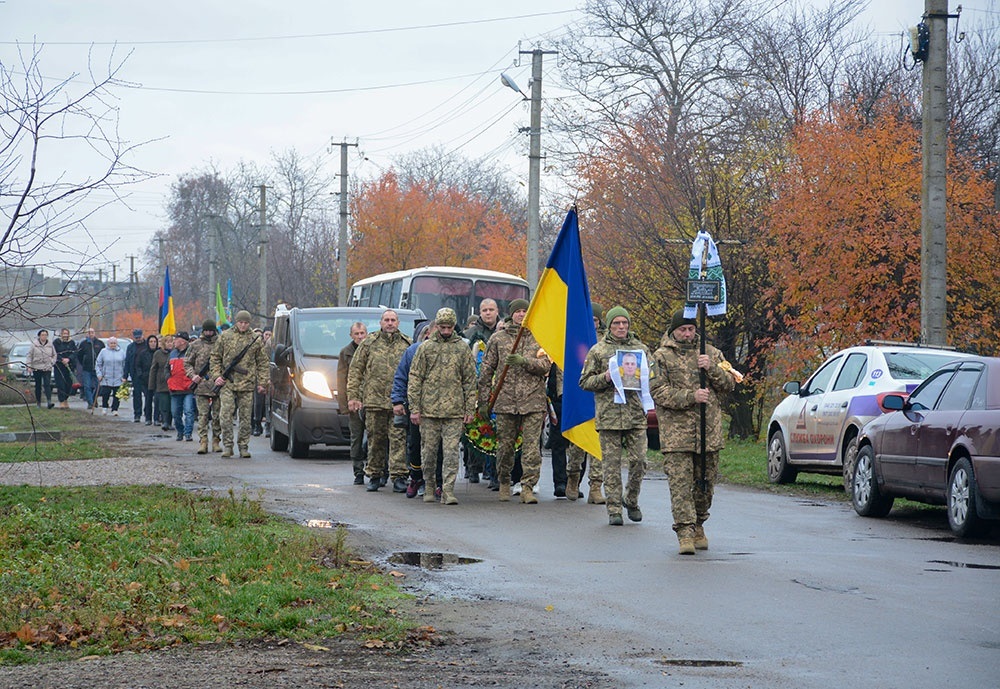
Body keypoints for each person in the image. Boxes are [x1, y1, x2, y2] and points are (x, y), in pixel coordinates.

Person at [650, 309, 735, 554]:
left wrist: (712, 369)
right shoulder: (661, 357)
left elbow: (729, 384)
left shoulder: (710, 352)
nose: (687, 334)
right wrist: (690, 396)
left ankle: (699, 523)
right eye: (682, 330)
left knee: (705, 485)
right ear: (673, 331)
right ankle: (684, 532)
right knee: (680, 485)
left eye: (691, 329)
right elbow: (658, 392)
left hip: (708, 433)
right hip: (677, 435)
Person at [579, 306, 656, 526]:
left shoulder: (640, 349)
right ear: (609, 326)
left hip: (635, 415)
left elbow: (653, 376)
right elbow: (584, 382)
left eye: (624, 323)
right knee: (611, 465)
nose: (621, 327)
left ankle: (631, 499)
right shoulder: (598, 350)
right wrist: (605, 377)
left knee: (639, 460)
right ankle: (614, 509)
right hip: (609, 415)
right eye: (616, 324)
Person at [478, 298, 549, 504]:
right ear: (511, 314)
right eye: (518, 311)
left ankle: (527, 486)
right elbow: (486, 371)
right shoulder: (498, 339)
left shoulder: (539, 337)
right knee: (505, 447)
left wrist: (525, 362)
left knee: (531, 448)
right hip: (505, 401)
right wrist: (483, 401)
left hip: (532, 401)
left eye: (525, 311)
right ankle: (504, 481)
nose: (521, 314)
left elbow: (546, 365)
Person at [408, 308, 477, 505]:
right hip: (429, 411)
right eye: (442, 327)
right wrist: (414, 408)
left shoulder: (462, 348)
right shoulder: (425, 348)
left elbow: (470, 381)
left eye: (449, 327)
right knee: (428, 453)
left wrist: (469, 409)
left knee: (451, 453)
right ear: (436, 326)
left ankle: (448, 489)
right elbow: (415, 379)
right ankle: (429, 486)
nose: (446, 331)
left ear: (454, 326)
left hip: (454, 411)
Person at [346, 309, 412, 492]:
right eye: (386, 320)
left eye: (393, 320)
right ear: (380, 323)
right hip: (374, 401)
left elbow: (413, 372)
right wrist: (353, 397)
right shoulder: (369, 343)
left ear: (398, 323)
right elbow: (355, 371)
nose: (390, 323)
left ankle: (398, 476)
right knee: (375, 440)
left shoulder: (407, 344)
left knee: (398, 439)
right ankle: (374, 475)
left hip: (397, 402)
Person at [391, 321, 441, 498]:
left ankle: (438, 482)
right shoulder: (413, 351)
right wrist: (397, 401)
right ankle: (417, 477)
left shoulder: (452, 350)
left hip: (442, 408)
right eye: (432, 332)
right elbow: (401, 377)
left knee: (440, 447)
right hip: (417, 406)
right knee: (415, 445)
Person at [210, 310, 270, 458]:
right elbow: (215, 358)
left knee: (245, 417)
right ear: (236, 322)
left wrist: (262, 382)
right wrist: (216, 376)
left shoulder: (255, 339)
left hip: (247, 383)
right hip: (228, 383)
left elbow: (262, 362)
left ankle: (243, 446)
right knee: (225, 415)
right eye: (241, 322)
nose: (243, 325)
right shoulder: (225, 336)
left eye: (246, 323)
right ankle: (228, 445)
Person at [568, 303, 606, 503]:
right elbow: (565, 367)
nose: (592, 323)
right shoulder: (575, 339)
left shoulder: (607, 341)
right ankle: (573, 478)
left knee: (598, 444)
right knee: (578, 444)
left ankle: (596, 487)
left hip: (602, 399)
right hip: (580, 395)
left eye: (595, 320)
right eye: (589, 320)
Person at [338, 321, 368, 485]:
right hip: (354, 402)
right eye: (356, 334)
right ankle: (358, 471)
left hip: (371, 401)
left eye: (362, 333)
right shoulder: (346, 353)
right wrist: (345, 404)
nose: (360, 336)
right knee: (356, 438)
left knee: (375, 437)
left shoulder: (372, 350)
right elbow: (342, 380)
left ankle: (377, 469)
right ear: (351, 336)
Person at [185, 320, 222, 454]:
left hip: (218, 385)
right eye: (206, 331)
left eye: (210, 331)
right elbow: (187, 363)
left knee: (218, 416)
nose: (208, 333)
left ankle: (216, 440)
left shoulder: (220, 343)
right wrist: (192, 375)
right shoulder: (195, 345)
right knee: (203, 415)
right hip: (201, 386)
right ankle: (203, 441)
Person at [167, 331, 196, 442]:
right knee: (175, 413)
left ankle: (188, 433)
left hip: (188, 388)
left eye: (176, 339)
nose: (174, 341)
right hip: (175, 388)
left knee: (189, 411)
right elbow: (167, 368)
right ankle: (180, 431)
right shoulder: (172, 353)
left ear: (183, 341)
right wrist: (168, 379)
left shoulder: (191, 352)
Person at [95, 336, 127, 415]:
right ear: (108, 344)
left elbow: (125, 365)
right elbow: (98, 364)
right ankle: (105, 407)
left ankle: (115, 409)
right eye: (111, 343)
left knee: (117, 395)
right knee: (105, 393)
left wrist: (124, 376)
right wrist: (99, 374)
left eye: (114, 343)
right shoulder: (103, 351)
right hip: (106, 377)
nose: (113, 345)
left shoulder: (122, 352)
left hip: (118, 377)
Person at [148, 333, 174, 431]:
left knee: (172, 404)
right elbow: (153, 369)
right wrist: (151, 385)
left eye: (171, 342)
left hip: (173, 382)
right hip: (161, 382)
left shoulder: (175, 353)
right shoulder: (158, 354)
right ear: (163, 343)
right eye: (167, 342)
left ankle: (170, 422)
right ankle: (165, 421)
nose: (170, 344)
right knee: (164, 403)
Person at [251, 327, 273, 436]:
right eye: (266, 334)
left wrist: (268, 378)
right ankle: (257, 424)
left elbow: (269, 363)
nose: (267, 337)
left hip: (270, 378)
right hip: (257, 377)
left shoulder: (270, 346)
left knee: (268, 402)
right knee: (258, 403)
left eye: (270, 334)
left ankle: (268, 425)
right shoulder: (256, 346)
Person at [26, 329, 56, 409]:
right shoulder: (34, 344)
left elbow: (54, 354)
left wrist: (52, 362)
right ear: (39, 336)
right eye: (42, 335)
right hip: (37, 367)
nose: (44, 336)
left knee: (47, 384)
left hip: (47, 367)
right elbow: (29, 355)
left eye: (46, 335)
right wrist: (29, 366)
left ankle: (49, 402)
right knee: (38, 385)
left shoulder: (50, 344)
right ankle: (38, 402)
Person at [77, 328, 104, 410]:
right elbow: (79, 356)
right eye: (89, 333)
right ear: (86, 334)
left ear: (94, 333)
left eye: (92, 332)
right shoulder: (83, 344)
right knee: (87, 386)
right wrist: (84, 363)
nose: (90, 334)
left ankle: (93, 399)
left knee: (97, 386)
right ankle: (90, 402)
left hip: (97, 369)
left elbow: (103, 355)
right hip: (86, 369)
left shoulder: (100, 343)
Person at [123, 328, 147, 422]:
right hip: (135, 374)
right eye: (136, 337)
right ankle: (137, 414)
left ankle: (147, 413)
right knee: (137, 395)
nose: (138, 339)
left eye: (139, 337)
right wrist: (125, 375)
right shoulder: (130, 347)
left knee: (148, 395)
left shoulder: (147, 345)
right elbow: (127, 362)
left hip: (146, 374)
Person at [52, 328, 78, 409]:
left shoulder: (72, 342)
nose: (65, 335)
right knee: (60, 384)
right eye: (64, 333)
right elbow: (54, 353)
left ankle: (66, 399)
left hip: (69, 366)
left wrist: (69, 359)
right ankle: (62, 401)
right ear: (61, 334)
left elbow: (74, 353)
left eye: (67, 333)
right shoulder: (57, 342)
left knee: (69, 384)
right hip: (59, 366)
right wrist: (61, 359)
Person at [136, 335, 158, 424]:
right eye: (151, 342)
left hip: (157, 380)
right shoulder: (143, 353)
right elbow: (138, 365)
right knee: (148, 399)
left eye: (154, 342)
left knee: (157, 400)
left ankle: (156, 418)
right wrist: (141, 375)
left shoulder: (159, 352)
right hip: (146, 380)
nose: (153, 344)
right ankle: (148, 418)